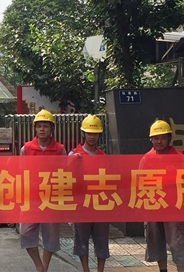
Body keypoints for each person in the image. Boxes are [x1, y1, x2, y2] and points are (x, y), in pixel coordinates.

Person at [19, 109, 65, 272]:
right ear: (35, 128)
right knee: (25, 233)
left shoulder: (60, 149)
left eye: (45, 126)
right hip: (31, 199)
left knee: (51, 237)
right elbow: (21, 173)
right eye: (39, 126)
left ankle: (44, 267)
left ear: (52, 129)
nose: (42, 129)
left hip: (52, 199)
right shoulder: (26, 149)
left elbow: (66, 173)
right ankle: (39, 266)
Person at [142, 119, 184, 272]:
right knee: (156, 242)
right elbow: (139, 182)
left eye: (163, 138)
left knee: (176, 243)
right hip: (153, 207)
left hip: (174, 208)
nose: (159, 141)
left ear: (169, 138)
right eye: (156, 138)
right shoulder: (146, 158)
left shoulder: (178, 157)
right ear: (151, 140)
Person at [69, 114, 110, 272]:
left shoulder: (103, 156)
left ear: (99, 135)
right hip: (82, 205)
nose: (92, 137)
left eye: (95, 133)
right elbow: (65, 177)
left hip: (100, 205)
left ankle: (100, 270)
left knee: (102, 240)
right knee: (81, 240)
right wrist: (73, 163)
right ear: (83, 134)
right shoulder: (74, 155)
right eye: (89, 133)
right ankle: (85, 269)